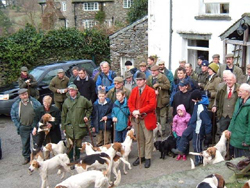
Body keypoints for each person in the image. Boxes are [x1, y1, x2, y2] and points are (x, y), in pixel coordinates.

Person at [172, 90, 211, 166]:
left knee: (196, 145)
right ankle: (181, 149)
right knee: (185, 134)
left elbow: (207, 122)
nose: (191, 100)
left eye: (193, 98)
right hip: (193, 124)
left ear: (196, 98)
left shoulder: (201, 108)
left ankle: (199, 159)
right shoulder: (197, 103)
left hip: (198, 128)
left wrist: (208, 133)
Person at [128, 72, 157, 168]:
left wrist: (139, 111)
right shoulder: (134, 90)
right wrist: (133, 112)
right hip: (137, 118)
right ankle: (141, 156)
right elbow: (130, 103)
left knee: (148, 138)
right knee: (139, 138)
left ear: (145, 81)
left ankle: (148, 157)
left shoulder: (151, 91)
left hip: (147, 117)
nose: (139, 82)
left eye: (140, 80)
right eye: (137, 80)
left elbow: (152, 105)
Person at [61, 84, 93, 162]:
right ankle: (70, 159)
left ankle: (77, 158)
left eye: (72, 90)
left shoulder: (83, 100)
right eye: (69, 91)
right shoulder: (66, 101)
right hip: (69, 127)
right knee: (69, 145)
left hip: (79, 127)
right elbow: (63, 115)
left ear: (76, 91)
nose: (70, 92)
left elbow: (90, 107)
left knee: (78, 144)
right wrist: (63, 127)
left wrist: (87, 116)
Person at [10, 88, 41, 165]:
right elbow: (13, 115)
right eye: (23, 95)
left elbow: (40, 111)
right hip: (23, 127)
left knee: (37, 142)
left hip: (34, 126)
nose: (25, 96)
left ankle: (36, 157)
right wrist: (18, 125)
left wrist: (37, 124)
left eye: (26, 94)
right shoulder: (16, 104)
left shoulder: (34, 102)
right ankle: (26, 157)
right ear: (20, 96)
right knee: (25, 143)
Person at [146, 65, 170, 135]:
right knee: (156, 115)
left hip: (162, 99)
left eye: (154, 71)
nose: (152, 72)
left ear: (158, 71)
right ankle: (157, 130)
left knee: (163, 116)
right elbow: (147, 87)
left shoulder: (163, 77)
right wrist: (153, 91)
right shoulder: (150, 78)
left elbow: (168, 86)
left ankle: (162, 131)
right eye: (151, 71)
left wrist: (159, 85)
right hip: (154, 99)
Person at [228, 83, 250, 158]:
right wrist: (230, 129)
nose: (239, 93)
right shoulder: (239, 101)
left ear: (247, 92)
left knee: (244, 163)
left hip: (243, 140)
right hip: (236, 137)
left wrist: (247, 141)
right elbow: (234, 116)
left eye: (241, 91)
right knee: (237, 160)